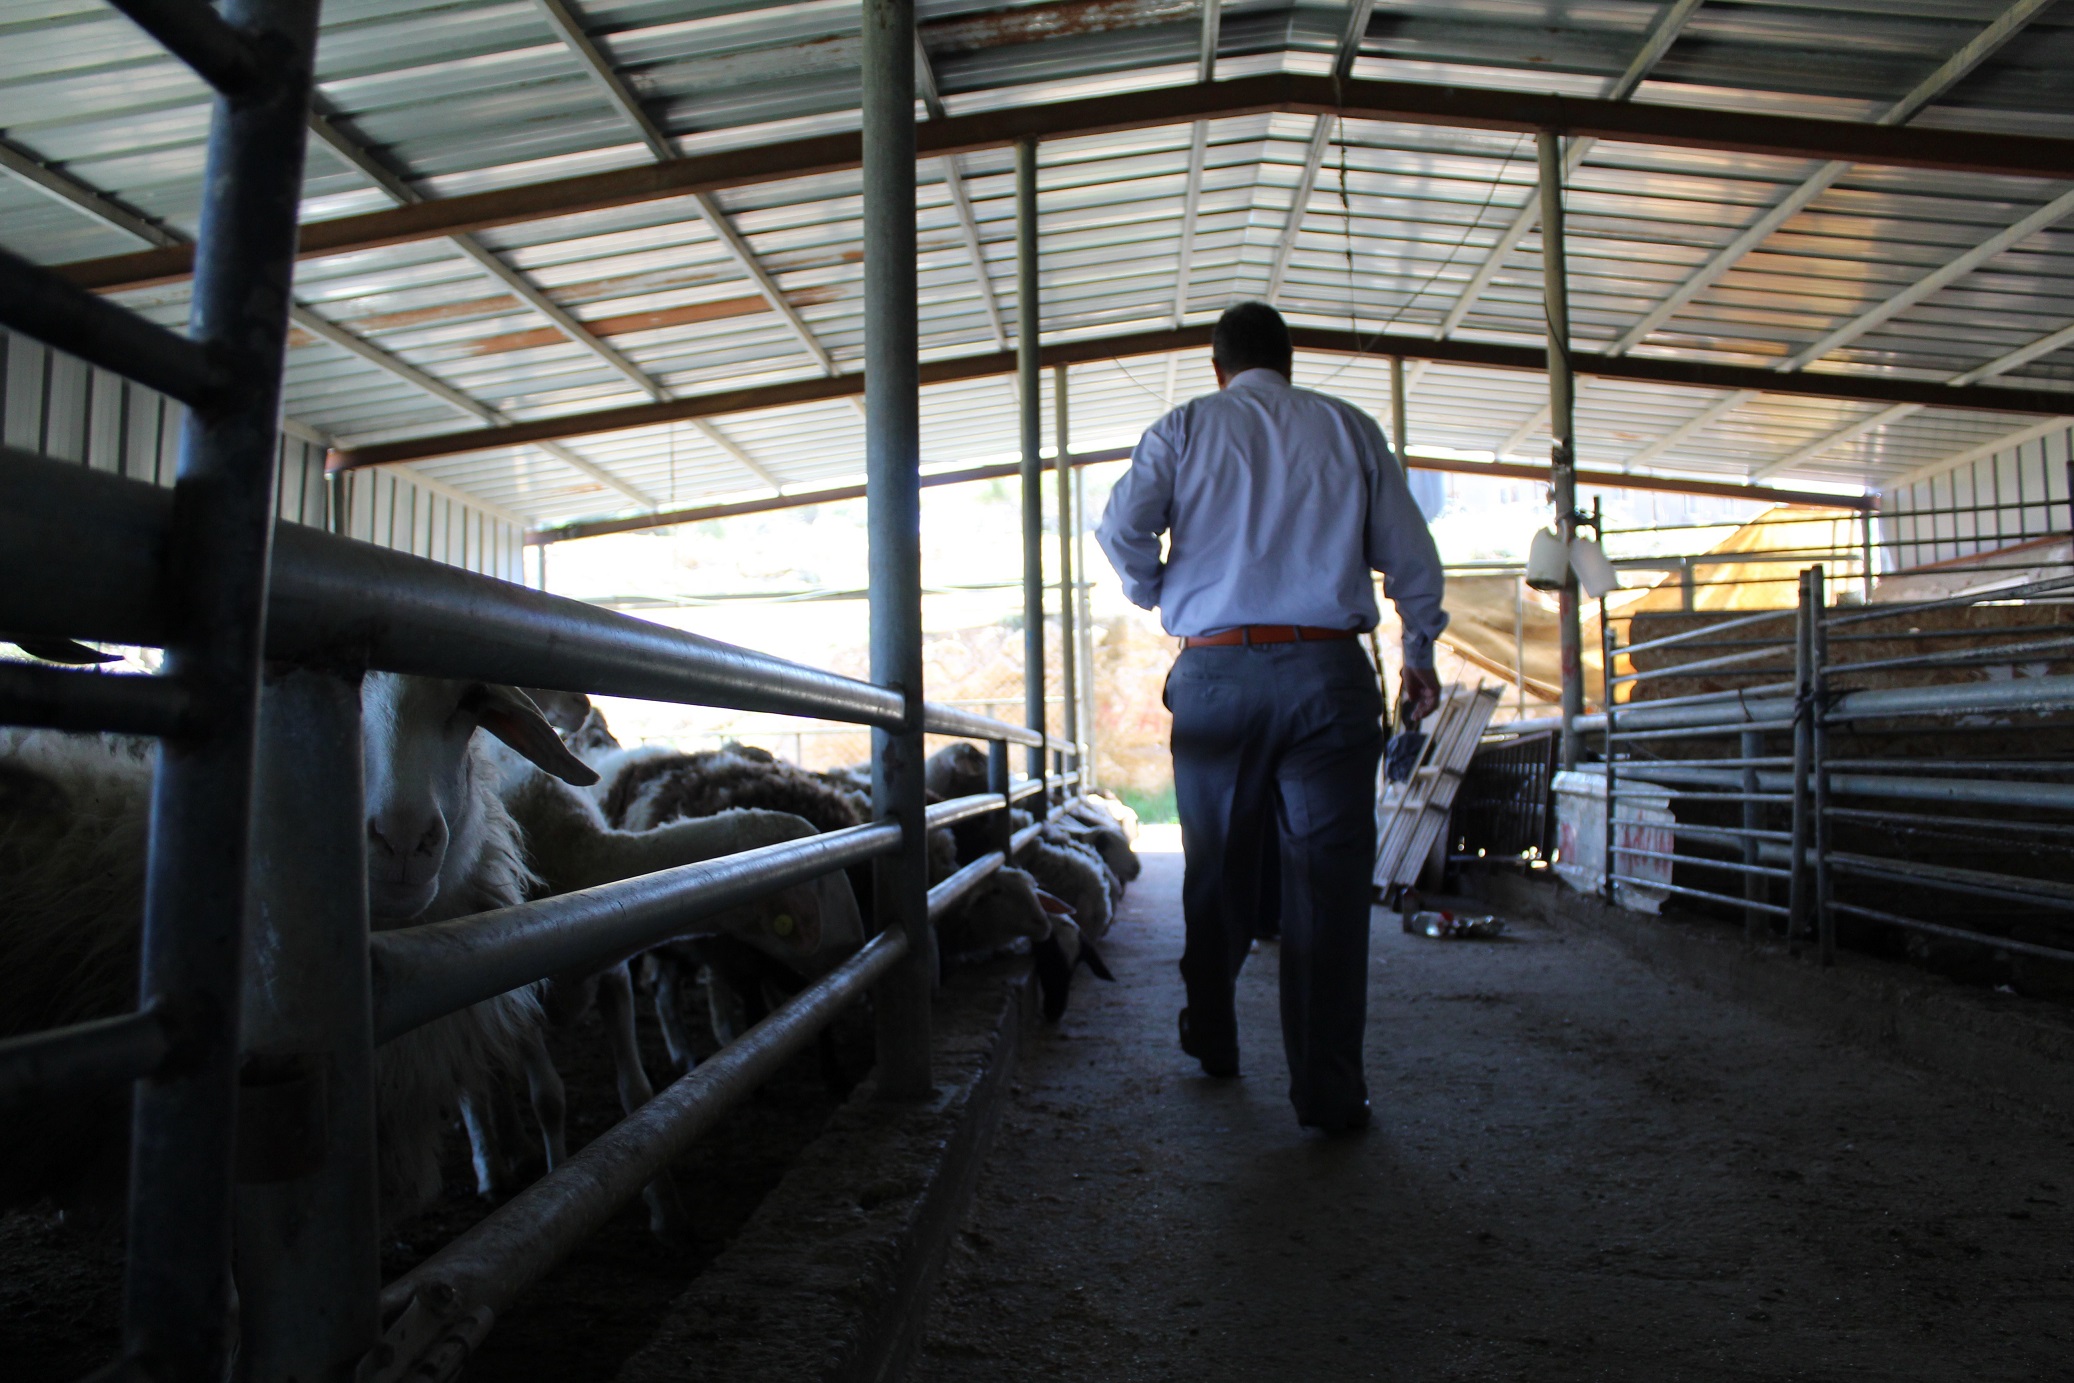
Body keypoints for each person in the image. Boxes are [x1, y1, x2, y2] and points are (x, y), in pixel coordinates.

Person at [1095, 301, 1446, 1133]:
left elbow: (1120, 528)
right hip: (1328, 676)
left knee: (1217, 868)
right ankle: (1328, 1091)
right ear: (1289, 362)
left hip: (1216, 673)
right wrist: (1419, 655)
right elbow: (1412, 560)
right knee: (1325, 888)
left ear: (1218, 367)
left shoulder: (1183, 427)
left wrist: (1158, 590)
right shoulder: (1350, 429)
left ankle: (1214, 1034)